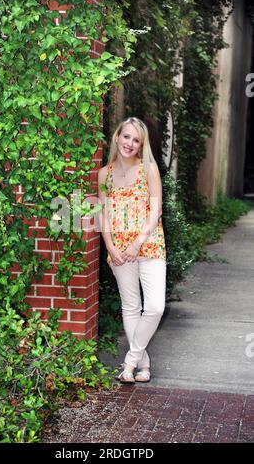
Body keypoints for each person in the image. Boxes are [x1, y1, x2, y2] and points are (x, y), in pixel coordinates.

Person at [98, 117, 166, 384]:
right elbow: (103, 213)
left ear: (141, 145)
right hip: (119, 251)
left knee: (155, 307)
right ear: (117, 137)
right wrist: (111, 247)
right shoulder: (105, 173)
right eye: (126, 137)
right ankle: (142, 364)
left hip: (148, 245)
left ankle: (129, 360)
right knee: (131, 306)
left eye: (136, 140)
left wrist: (136, 243)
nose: (130, 143)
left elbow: (156, 210)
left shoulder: (148, 168)